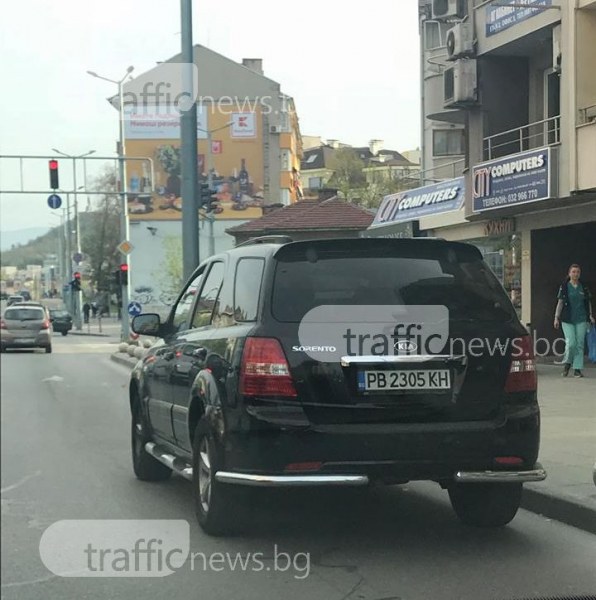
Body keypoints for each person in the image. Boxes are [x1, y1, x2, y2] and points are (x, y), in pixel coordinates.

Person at [554, 264, 594, 378]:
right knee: (571, 343)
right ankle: (567, 364)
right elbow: (560, 302)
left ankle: (577, 369)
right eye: (573, 272)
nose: (575, 274)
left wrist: (590, 315)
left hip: (581, 319)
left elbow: (588, 303)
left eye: (577, 272)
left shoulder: (583, 287)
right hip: (567, 320)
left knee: (580, 344)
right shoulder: (565, 287)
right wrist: (556, 317)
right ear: (569, 273)